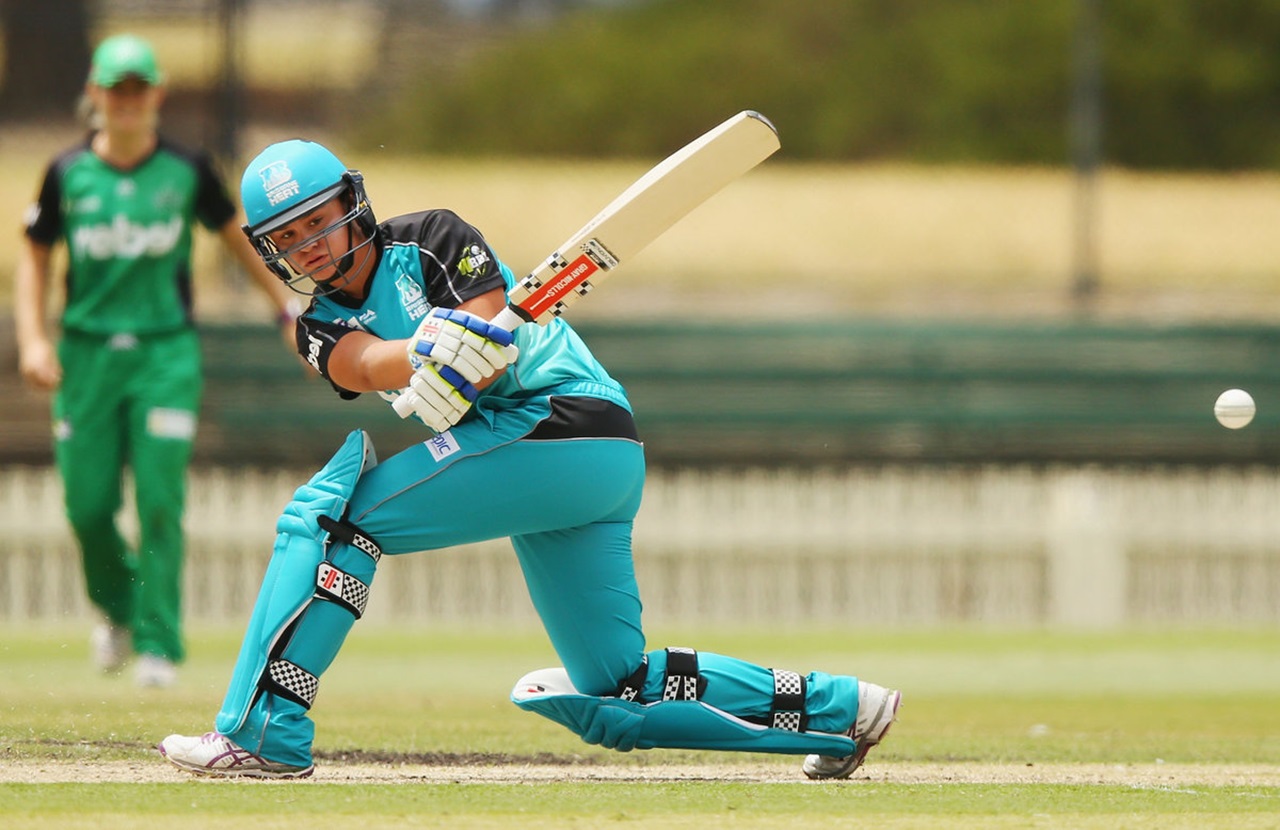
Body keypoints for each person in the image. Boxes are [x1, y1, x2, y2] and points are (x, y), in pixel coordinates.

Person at [157, 138, 900, 779]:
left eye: (319, 220)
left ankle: (265, 733)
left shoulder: (433, 239)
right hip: (564, 464)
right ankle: (846, 710)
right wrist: (418, 354)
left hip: (565, 422)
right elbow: (361, 362)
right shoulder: (314, 325)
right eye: (289, 235)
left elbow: (486, 332)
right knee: (616, 689)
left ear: (352, 204)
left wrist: (460, 356)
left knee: (337, 523)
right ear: (270, 249)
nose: (310, 243)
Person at [14, 34, 300, 688]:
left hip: (164, 354)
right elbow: (34, 257)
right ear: (95, 96)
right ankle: (119, 609)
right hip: (87, 358)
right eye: (116, 91)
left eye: (139, 90)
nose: (128, 103)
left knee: (160, 501)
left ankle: (159, 643)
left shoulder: (188, 170)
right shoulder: (66, 174)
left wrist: (285, 310)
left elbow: (238, 239)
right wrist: (34, 339)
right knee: (87, 506)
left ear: (157, 96)